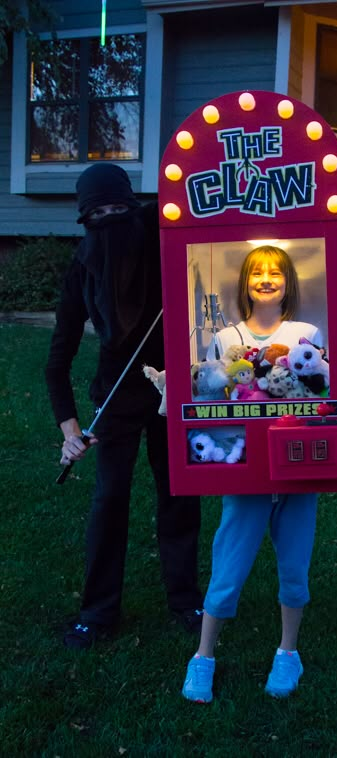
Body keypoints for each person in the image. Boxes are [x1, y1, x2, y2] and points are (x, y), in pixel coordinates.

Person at [45, 163, 203, 650]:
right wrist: (71, 431)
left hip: (171, 388)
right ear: (86, 222)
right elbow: (58, 360)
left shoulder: (161, 235)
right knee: (109, 499)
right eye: (99, 214)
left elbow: (197, 200)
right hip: (115, 393)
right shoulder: (83, 266)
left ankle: (185, 600)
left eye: (120, 209)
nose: (111, 220)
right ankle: (97, 612)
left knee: (178, 494)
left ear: (134, 208)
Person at [181, 244, 325, 702]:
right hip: (243, 463)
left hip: (296, 462)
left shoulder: (307, 332)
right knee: (230, 559)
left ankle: (288, 652)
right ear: (245, 282)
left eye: (276, 271)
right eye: (257, 272)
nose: (266, 278)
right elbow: (207, 399)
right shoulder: (225, 338)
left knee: (295, 562)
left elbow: (322, 392)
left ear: (289, 282)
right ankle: (203, 656)